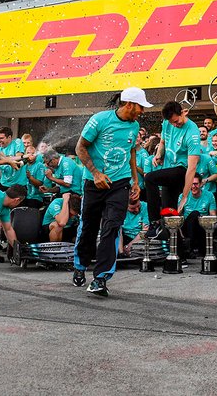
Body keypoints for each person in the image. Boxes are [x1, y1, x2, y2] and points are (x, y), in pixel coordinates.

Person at [74, 87, 151, 297]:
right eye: (140, 107)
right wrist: (95, 173)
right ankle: (80, 265)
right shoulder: (99, 120)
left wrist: (135, 181)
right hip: (94, 183)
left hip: (120, 183)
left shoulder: (134, 126)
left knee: (112, 226)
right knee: (89, 227)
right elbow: (80, 148)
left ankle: (101, 278)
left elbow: (132, 153)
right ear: (128, 104)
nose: (141, 112)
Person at [145, 101, 202, 230]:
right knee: (169, 216)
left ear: (182, 112)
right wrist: (159, 154)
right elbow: (163, 141)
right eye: (172, 123)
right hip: (169, 169)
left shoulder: (192, 132)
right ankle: (177, 247)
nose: (175, 125)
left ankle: (153, 222)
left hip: (182, 171)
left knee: (149, 178)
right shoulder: (167, 123)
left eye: (176, 121)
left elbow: (192, 167)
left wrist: (185, 196)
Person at [177, 174, 217, 257]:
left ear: (201, 184)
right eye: (191, 184)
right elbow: (178, 216)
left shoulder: (209, 195)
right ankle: (189, 248)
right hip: (187, 228)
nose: (193, 186)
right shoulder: (183, 196)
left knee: (197, 215)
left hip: (202, 227)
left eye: (196, 184)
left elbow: (212, 215)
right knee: (194, 214)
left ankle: (196, 248)